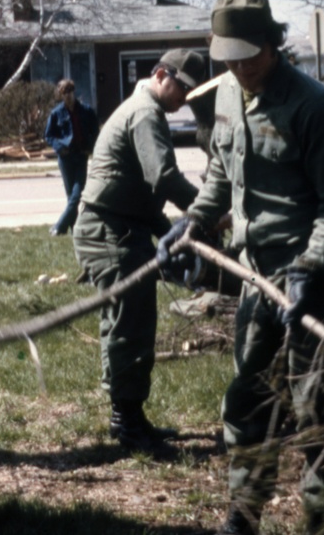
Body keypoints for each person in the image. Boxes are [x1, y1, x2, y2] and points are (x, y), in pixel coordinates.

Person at [157, 0, 324, 535]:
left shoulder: (316, 108)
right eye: (230, 57)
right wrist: (193, 223)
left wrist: (311, 266)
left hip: (315, 287)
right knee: (247, 402)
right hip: (257, 281)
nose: (241, 67)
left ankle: (322, 521)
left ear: (274, 44)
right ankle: (242, 517)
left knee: (321, 414)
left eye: (250, 55)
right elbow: (223, 180)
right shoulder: (225, 95)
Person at [72, 49, 205, 452]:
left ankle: (128, 418)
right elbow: (163, 178)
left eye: (190, 91)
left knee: (125, 322)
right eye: (181, 86)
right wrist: (206, 212)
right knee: (131, 323)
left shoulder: (142, 108)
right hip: (110, 229)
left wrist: (174, 234)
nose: (184, 96)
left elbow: (147, 195)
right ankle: (127, 424)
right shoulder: (145, 113)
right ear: (161, 74)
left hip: (120, 224)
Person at [44, 79, 99, 236]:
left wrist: (90, 147)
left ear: (74, 92)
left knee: (78, 193)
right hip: (65, 157)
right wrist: (60, 148)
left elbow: (95, 131)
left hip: (81, 155)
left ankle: (59, 226)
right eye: (64, 93)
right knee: (71, 195)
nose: (68, 96)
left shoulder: (87, 111)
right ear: (61, 95)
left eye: (70, 92)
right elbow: (49, 135)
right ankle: (74, 228)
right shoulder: (56, 113)